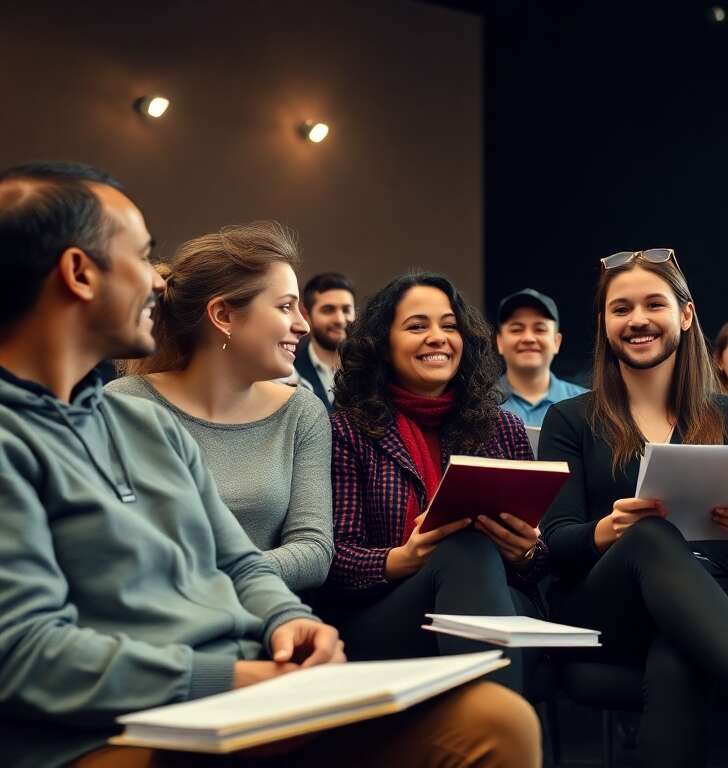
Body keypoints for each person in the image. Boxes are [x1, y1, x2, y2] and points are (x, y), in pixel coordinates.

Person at [0, 162, 540, 768]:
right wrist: (228, 679)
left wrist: (288, 620)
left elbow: (234, 560)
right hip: (128, 728)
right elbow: (22, 655)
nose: (159, 284)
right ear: (78, 274)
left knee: (497, 722)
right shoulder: (15, 438)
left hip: (242, 690)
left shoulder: (141, 426)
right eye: (142, 256)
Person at [538, 248, 728, 768]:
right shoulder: (570, 419)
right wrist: (607, 530)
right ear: (604, 325)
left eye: (654, 304)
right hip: (610, 605)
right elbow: (553, 542)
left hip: (724, 596)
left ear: (685, 315)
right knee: (649, 536)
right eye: (620, 309)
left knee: (677, 654)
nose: (638, 320)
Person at [325, 272, 547, 694]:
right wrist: (400, 559)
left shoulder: (504, 429)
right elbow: (334, 560)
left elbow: (541, 561)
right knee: (462, 548)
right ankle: (500, 733)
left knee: (476, 556)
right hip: (388, 613)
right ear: (383, 344)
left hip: (494, 598)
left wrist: (526, 551)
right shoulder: (347, 432)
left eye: (449, 326)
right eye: (416, 326)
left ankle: (490, 734)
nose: (438, 338)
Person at [111, 222, 333, 594]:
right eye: (285, 307)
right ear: (224, 316)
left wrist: (212, 577)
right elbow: (118, 545)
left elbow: (314, 550)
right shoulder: (123, 405)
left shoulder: (302, 412)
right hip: (160, 627)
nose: (303, 326)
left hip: (273, 625)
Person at [495, 288, 587, 427]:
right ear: (500, 342)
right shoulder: (477, 404)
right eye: (516, 329)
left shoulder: (588, 406)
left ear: (557, 342)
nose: (528, 338)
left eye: (540, 329)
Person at [294, 271, 356, 410]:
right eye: (328, 310)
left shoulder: (372, 370)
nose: (340, 320)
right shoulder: (289, 370)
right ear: (307, 316)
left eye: (346, 310)